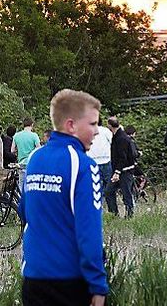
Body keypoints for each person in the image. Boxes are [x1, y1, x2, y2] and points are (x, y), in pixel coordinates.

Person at [21, 89, 108, 306]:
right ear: (71, 125)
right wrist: (98, 285)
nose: (97, 131)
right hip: (69, 281)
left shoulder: (35, 158)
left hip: (33, 278)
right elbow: (89, 231)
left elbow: (24, 211)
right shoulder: (84, 166)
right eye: (93, 124)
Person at [107, 116, 136, 217]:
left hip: (125, 170)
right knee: (109, 191)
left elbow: (122, 157)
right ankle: (114, 214)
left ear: (109, 125)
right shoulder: (117, 136)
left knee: (126, 193)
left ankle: (129, 214)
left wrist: (117, 172)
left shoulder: (121, 138)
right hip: (119, 170)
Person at [86, 117, 113, 208]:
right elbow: (113, 143)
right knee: (109, 186)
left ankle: (98, 207)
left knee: (96, 187)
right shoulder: (106, 131)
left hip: (93, 162)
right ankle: (111, 207)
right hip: (106, 160)